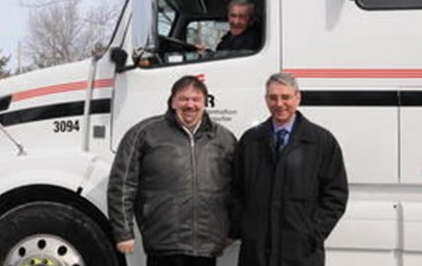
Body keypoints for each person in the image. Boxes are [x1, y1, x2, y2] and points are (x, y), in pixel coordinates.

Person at [107, 75, 237, 266]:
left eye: (196, 99)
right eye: (184, 99)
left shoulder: (224, 139)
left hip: (206, 247)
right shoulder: (144, 133)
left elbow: (237, 188)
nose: (190, 105)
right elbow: (122, 185)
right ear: (172, 102)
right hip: (164, 244)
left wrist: (234, 230)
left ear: (205, 103)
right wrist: (124, 233)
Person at [231, 72, 348, 266]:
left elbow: (335, 194)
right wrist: (245, 227)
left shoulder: (321, 141)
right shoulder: (251, 140)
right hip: (257, 250)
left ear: (297, 97)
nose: (279, 104)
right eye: (273, 97)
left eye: (285, 97)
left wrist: (312, 233)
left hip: (301, 252)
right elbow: (236, 189)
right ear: (266, 99)